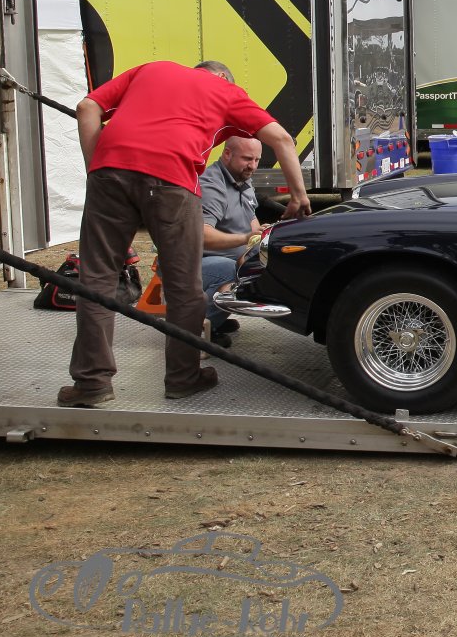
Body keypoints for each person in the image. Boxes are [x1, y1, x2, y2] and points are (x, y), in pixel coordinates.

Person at [58, 60, 311, 408]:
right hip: (173, 181)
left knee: (97, 280)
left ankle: (92, 384)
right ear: (222, 77)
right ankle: (183, 377)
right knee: (184, 287)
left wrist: (97, 170)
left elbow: (87, 108)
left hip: (110, 174)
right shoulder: (226, 90)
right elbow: (281, 138)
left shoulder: (151, 69)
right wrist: (298, 196)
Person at [201, 134, 263, 349]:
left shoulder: (242, 178)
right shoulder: (212, 186)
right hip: (190, 263)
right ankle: (197, 326)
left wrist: (260, 240)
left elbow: (251, 220)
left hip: (222, 258)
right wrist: (245, 239)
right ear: (227, 154)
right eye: (247, 159)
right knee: (232, 270)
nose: (252, 166)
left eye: (256, 160)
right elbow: (202, 236)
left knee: (258, 264)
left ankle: (216, 318)